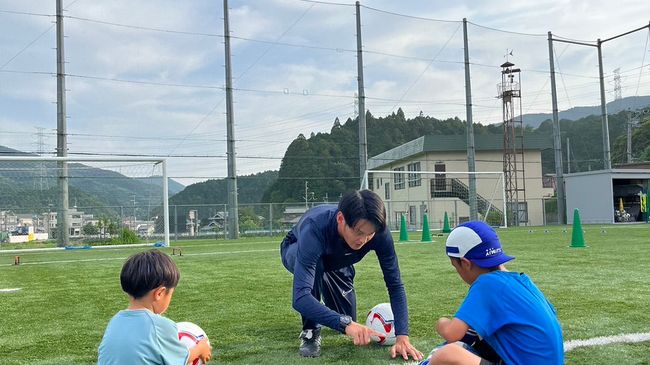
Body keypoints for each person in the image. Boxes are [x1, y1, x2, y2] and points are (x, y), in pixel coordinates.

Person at [280, 189, 423, 360]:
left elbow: (395, 284)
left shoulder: (379, 232)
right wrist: (345, 324)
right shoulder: (315, 227)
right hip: (296, 249)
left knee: (346, 316)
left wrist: (402, 336)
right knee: (340, 316)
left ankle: (337, 273)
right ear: (341, 219)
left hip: (337, 260)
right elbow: (300, 297)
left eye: (370, 234)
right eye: (359, 232)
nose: (363, 240)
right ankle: (310, 331)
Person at [421, 221, 563, 365]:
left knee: (447, 354)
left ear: (465, 263)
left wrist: (441, 322)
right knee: (474, 335)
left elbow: (452, 333)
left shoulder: (486, 284)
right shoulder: (523, 281)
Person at [98, 249, 212, 365]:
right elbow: (180, 361)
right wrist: (200, 349)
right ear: (160, 293)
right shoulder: (160, 325)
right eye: (171, 293)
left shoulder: (115, 321)